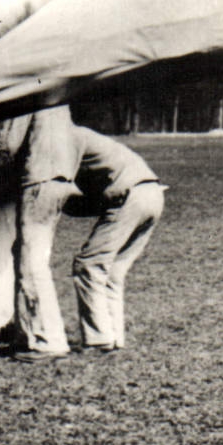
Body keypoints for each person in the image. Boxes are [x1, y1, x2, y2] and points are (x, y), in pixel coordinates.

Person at [0, 104, 80, 362]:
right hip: (61, 181)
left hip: (37, 182)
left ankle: (49, 341)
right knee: (27, 258)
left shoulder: (26, 96)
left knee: (32, 265)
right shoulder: (59, 99)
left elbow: (8, 147)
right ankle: (26, 336)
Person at [68, 124, 165, 353]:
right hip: (153, 193)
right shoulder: (87, 136)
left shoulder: (66, 138)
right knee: (113, 271)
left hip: (130, 196)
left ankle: (99, 340)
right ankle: (114, 336)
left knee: (88, 265)